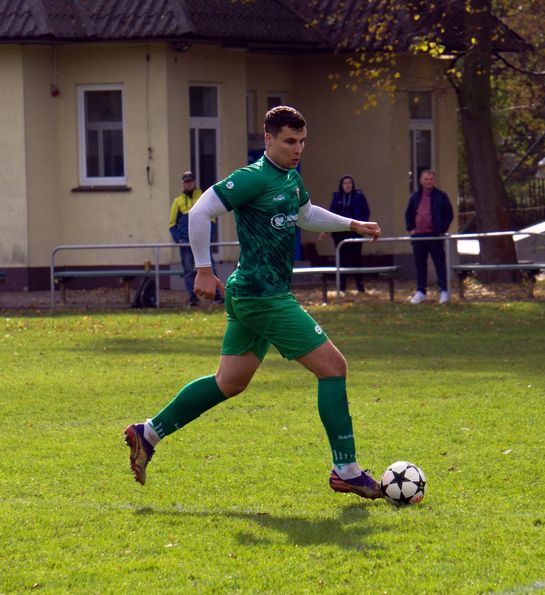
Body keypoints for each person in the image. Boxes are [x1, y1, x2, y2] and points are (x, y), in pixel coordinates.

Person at [125, 106, 383, 499]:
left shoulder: (289, 178)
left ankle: (149, 433)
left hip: (256, 294)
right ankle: (346, 470)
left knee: (229, 382)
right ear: (268, 140)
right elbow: (200, 212)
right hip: (263, 297)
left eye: (301, 142)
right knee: (333, 368)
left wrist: (351, 225)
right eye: (289, 141)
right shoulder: (252, 177)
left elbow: (305, 214)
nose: (297, 149)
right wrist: (203, 269)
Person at [169, 171, 223, 307]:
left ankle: (216, 295)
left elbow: (212, 220)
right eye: (186, 181)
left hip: (202, 242)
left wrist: (209, 238)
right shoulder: (177, 202)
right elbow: (172, 224)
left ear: (194, 181)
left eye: (191, 181)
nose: (189, 184)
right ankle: (193, 297)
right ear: (183, 183)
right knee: (188, 270)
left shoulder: (203, 197)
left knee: (211, 267)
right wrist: (178, 240)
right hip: (185, 243)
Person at [405, 169, 454, 304]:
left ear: (434, 181)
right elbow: (408, 214)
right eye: (426, 179)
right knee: (420, 264)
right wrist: (411, 229)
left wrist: (442, 229)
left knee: (439, 263)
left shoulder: (441, 196)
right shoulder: (415, 197)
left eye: (431, 179)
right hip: (419, 237)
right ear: (421, 181)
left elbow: (449, 214)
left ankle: (444, 291)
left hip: (435, 236)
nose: (428, 181)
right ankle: (421, 291)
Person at [320, 175, 371, 293]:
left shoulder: (359, 197)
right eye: (345, 183)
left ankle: (360, 287)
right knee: (342, 260)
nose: (347, 185)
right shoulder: (337, 197)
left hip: (355, 233)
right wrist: (324, 230)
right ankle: (342, 287)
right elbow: (330, 215)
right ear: (341, 185)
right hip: (339, 234)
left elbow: (366, 213)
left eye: (349, 183)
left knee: (356, 259)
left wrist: (363, 227)